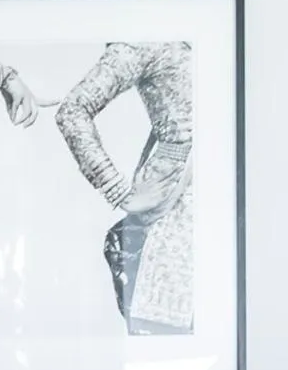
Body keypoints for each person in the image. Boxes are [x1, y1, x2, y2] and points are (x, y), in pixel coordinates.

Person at [54, 43, 195, 335]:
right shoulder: (144, 40)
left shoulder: (208, 23)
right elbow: (72, 111)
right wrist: (115, 188)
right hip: (177, 217)